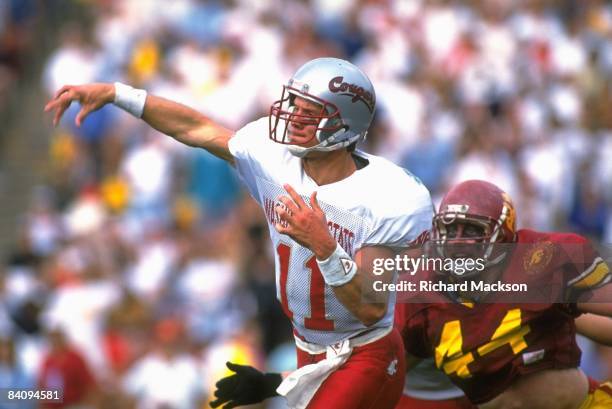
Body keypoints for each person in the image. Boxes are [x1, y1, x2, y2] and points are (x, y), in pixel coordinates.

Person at [44, 57, 434, 409]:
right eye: (293, 104)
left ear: (343, 124)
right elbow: (195, 128)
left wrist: (324, 246)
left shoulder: (387, 196)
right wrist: (118, 94)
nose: (293, 116)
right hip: (308, 350)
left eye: (308, 111)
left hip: (365, 353)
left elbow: (368, 307)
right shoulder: (272, 156)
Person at [397, 179, 612, 409]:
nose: (458, 241)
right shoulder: (422, 297)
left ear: (502, 236)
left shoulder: (541, 261)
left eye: (471, 230)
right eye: (450, 230)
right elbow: (389, 369)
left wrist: (567, 310)